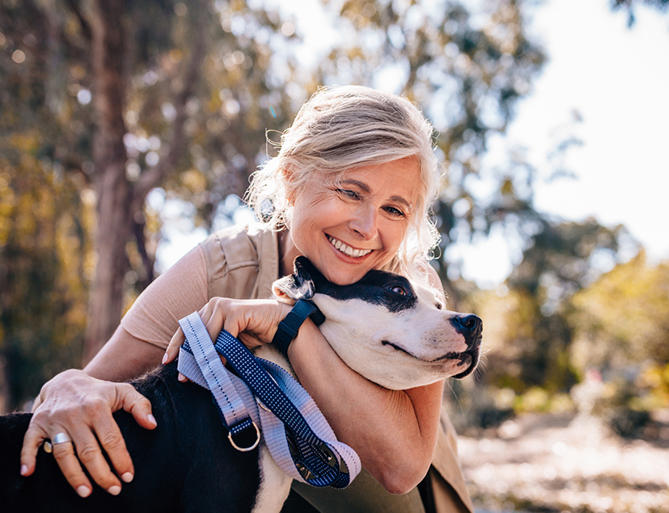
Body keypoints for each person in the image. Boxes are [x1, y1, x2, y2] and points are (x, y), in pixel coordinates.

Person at [19, 85, 474, 513]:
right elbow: (88, 387)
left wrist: (286, 325)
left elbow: (400, 468)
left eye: (394, 209)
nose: (367, 227)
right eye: (350, 192)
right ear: (293, 179)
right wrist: (66, 386)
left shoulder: (412, 290)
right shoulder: (221, 267)